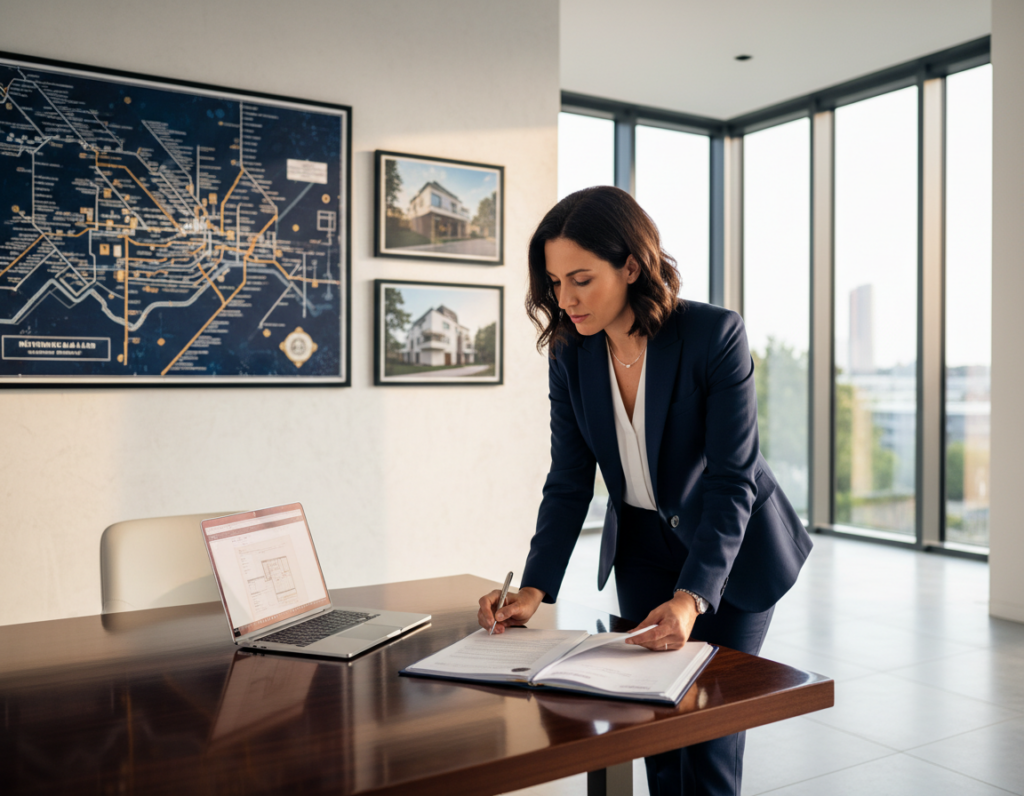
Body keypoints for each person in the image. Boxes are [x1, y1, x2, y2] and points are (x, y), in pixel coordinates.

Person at [477, 186, 813, 796]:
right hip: (640, 547)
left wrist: (692, 598)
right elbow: (569, 479)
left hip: (731, 552)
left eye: (581, 279)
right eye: (554, 283)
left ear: (631, 266)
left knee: (707, 737)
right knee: (651, 733)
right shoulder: (570, 354)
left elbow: (733, 479)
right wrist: (534, 588)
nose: (567, 299)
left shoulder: (713, 335)